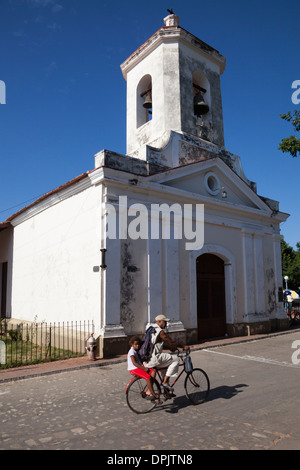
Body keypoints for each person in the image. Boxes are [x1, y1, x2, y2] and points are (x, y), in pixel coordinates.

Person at [143, 314, 189, 392]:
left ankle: (166, 391)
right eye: (165, 322)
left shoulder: (151, 329)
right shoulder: (159, 331)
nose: (166, 324)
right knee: (176, 359)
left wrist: (170, 348)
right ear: (159, 322)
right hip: (154, 357)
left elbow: (157, 344)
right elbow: (169, 340)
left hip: (148, 358)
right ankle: (164, 382)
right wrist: (182, 346)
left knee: (166, 368)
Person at [127, 336, 161, 403]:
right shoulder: (131, 352)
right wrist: (144, 369)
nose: (138, 346)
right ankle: (153, 394)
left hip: (139, 367)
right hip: (134, 369)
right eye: (136, 344)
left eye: (138, 344)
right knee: (147, 377)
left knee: (153, 372)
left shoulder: (136, 351)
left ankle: (149, 391)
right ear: (132, 345)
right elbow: (134, 363)